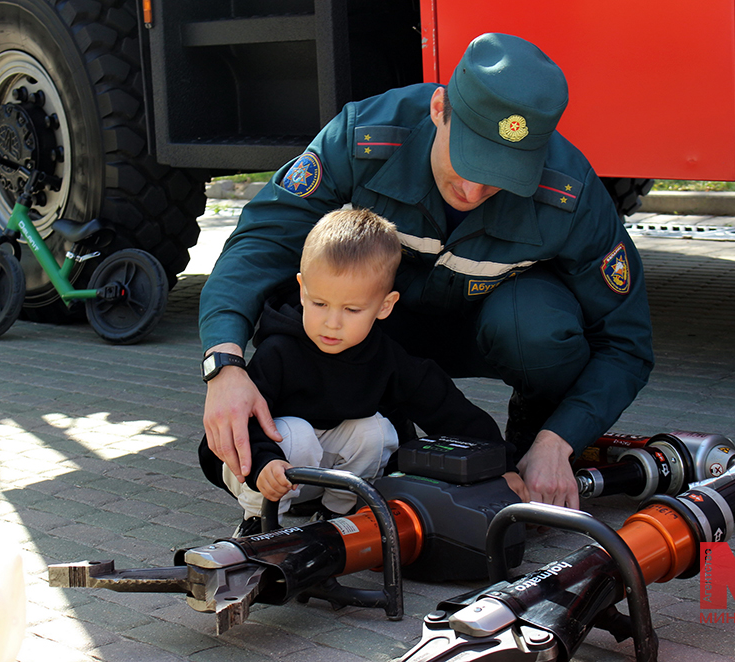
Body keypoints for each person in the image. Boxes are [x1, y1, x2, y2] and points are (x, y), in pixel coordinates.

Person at [200, 33, 654, 510]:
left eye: (502, 173)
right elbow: (263, 241)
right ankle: (345, 442)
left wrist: (559, 439)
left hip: (488, 332)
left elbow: (625, 343)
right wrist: (224, 364)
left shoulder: (569, 192)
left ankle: (528, 447)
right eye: (470, 159)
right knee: (324, 294)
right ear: (439, 108)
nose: (475, 189)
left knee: (540, 324)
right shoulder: (366, 136)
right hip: (372, 331)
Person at [199, 208, 525, 535]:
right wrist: (264, 464)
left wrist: (501, 466)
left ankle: (336, 518)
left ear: (385, 306)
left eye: (352, 310)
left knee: (375, 431)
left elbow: (448, 408)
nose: (332, 322)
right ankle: (258, 525)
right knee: (296, 433)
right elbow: (245, 423)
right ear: (302, 289)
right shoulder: (279, 350)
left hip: (320, 477)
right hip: (261, 470)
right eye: (319, 303)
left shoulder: (385, 356)